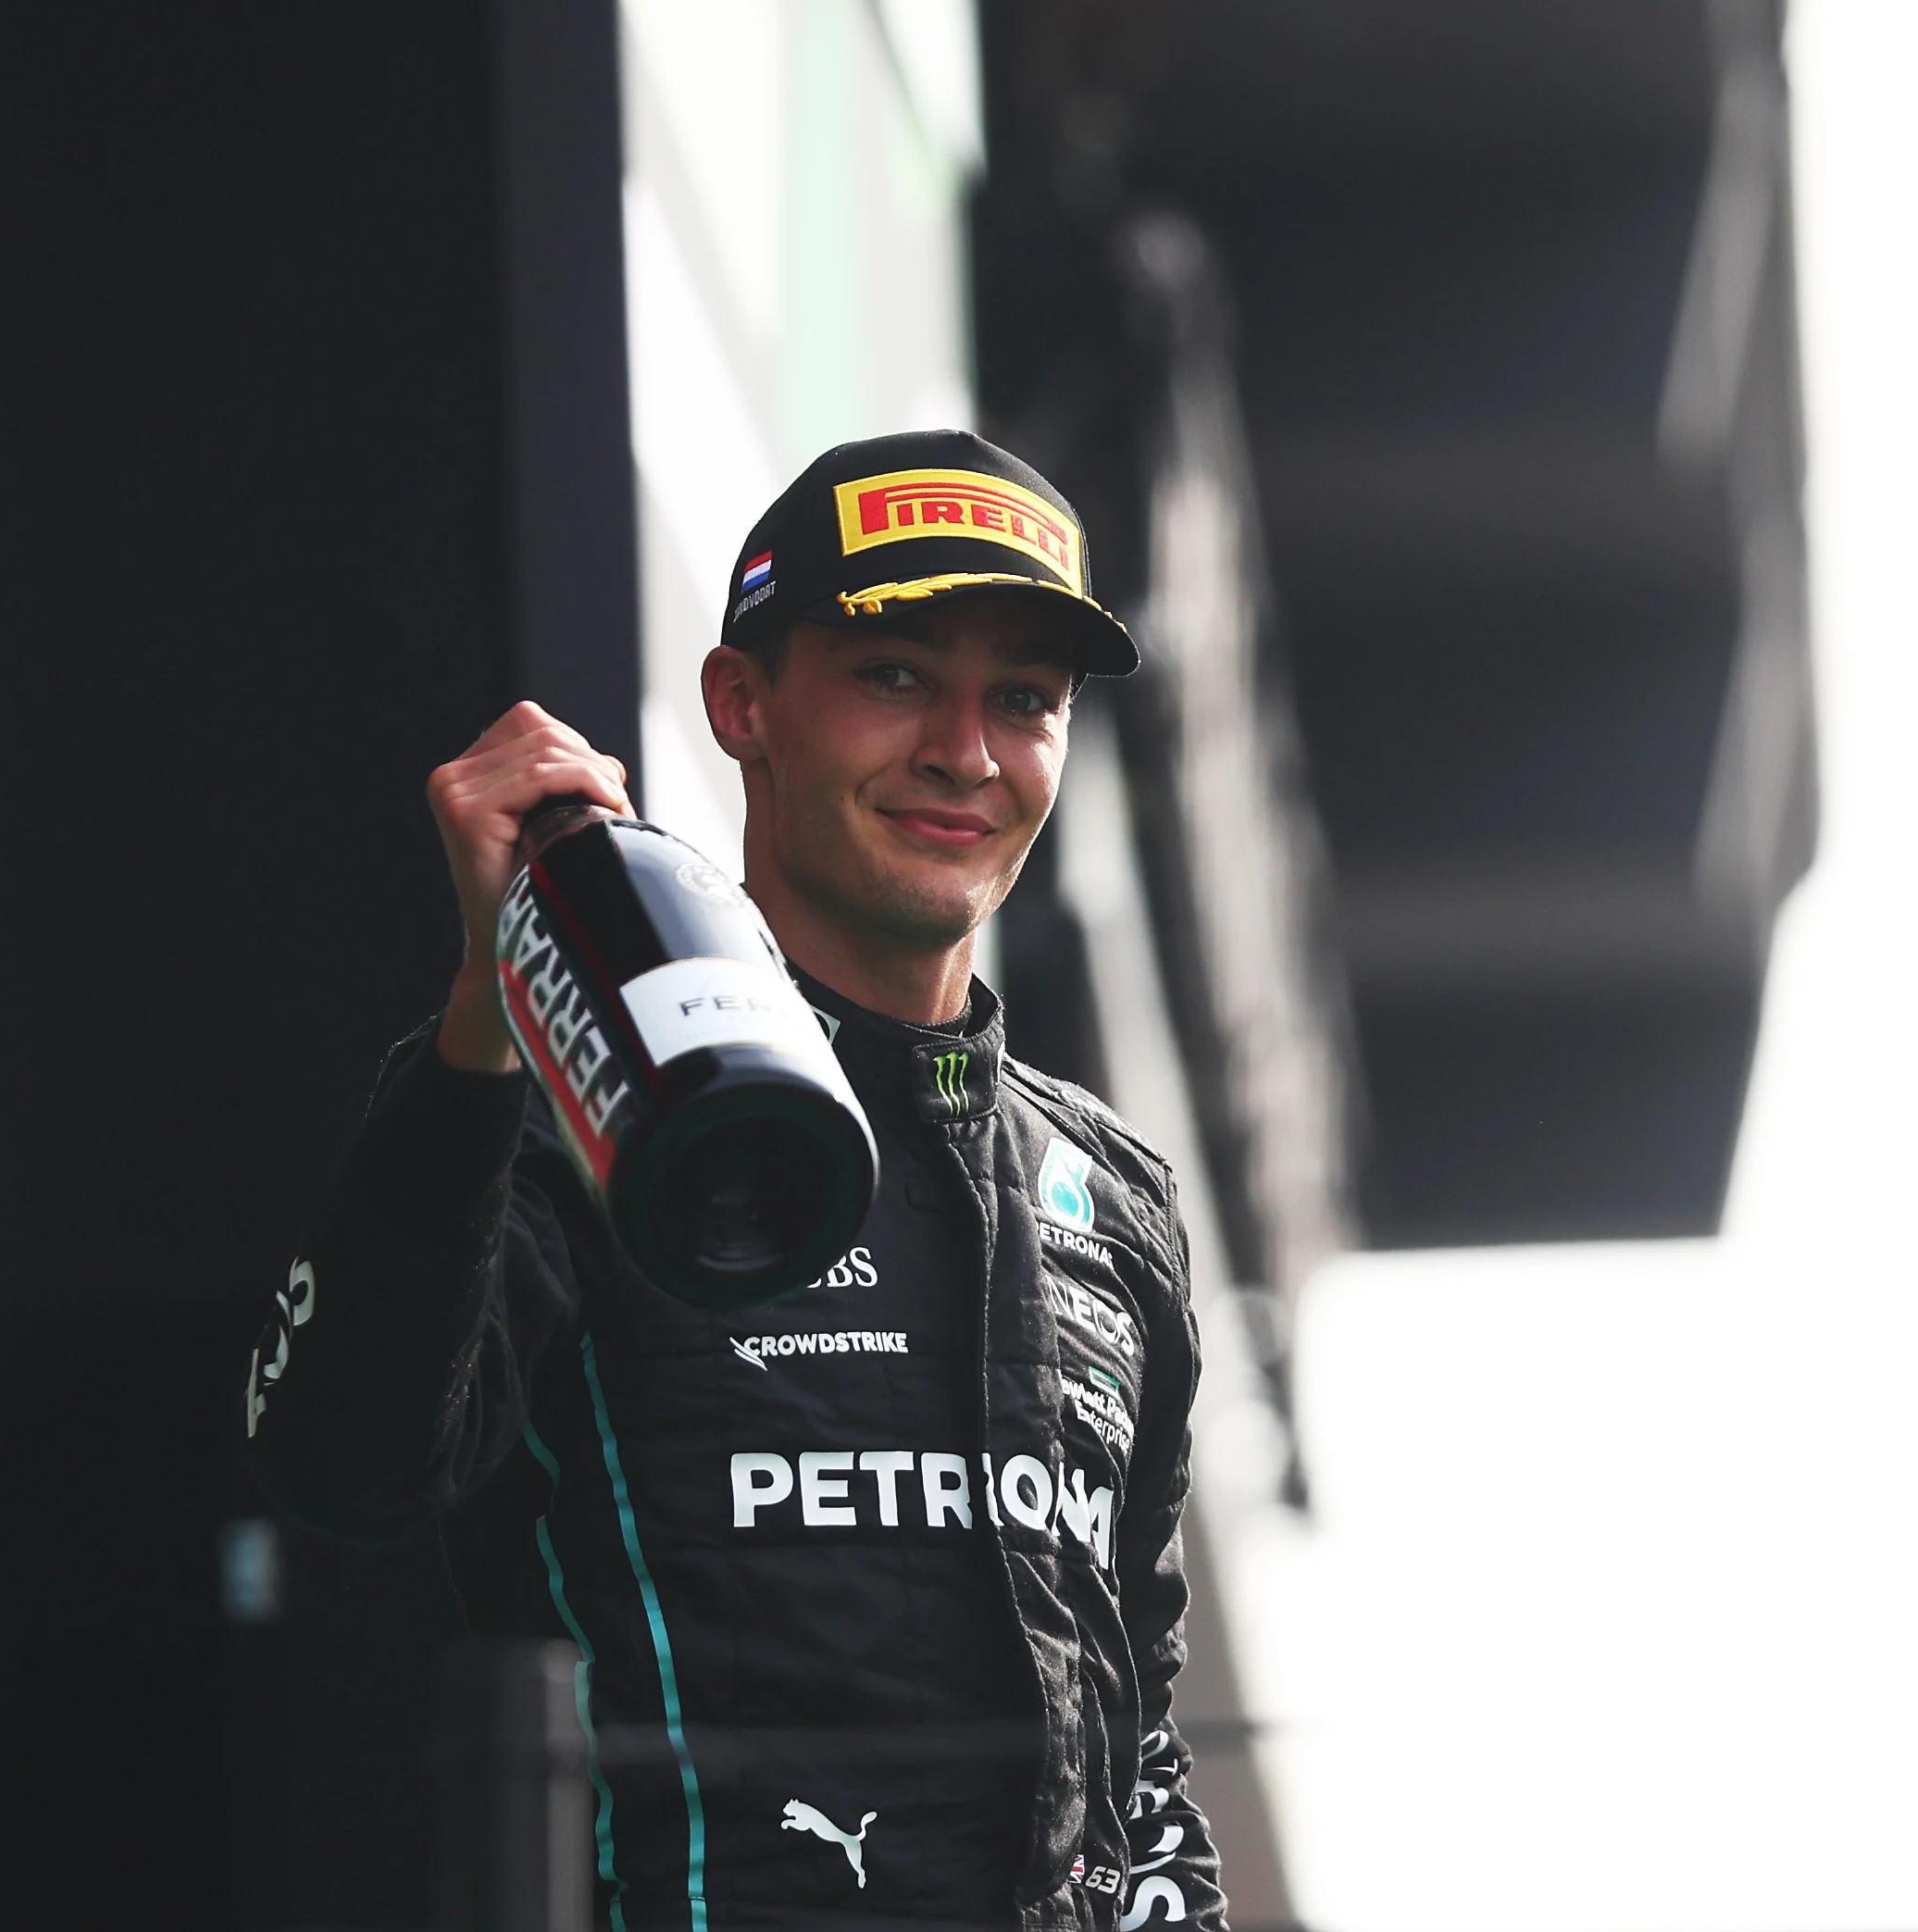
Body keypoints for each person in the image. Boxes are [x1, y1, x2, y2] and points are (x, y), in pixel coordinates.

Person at [248, 430, 1227, 1932]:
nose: (964, 750)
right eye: (895, 674)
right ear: (741, 702)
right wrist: (489, 1006)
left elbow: (1138, 1747)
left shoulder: (1114, 1202)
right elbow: (343, 1465)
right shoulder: (588, 1103)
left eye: (1021, 699)